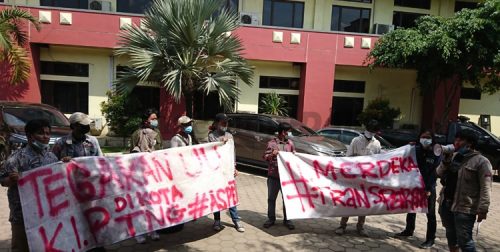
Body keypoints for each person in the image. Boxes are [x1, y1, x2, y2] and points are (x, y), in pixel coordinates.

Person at [0, 119, 59, 252]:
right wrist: (12, 179)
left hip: (46, 213)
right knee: (21, 246)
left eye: (48, 133)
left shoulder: (52, 158)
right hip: (22, 214)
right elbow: (3, 181)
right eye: (41, 133)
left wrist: (65, 165)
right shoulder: (16, 158)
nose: (45, 137)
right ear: (29, 136)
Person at [51, 112, 106, 252]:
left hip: (89, 187)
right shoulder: (61, 144)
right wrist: (61, 163)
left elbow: (100, 160)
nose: (87, 127)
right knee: (75, 218)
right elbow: (51, 165)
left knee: (93, 216)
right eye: (83, 125)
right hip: (69, 190)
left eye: (88, 124)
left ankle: (97, 245)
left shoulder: (92, 141)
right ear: (73, 126)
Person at [437, 129, 492, 252]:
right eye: (456, 139)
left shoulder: (482, 161)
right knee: (451, 236)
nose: (456, 142)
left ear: (470, 143)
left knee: (465, 241)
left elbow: (486, 187)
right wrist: (445, 160)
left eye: (460, 140)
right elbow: (439, 173)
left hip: (464, 208)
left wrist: (483, 209)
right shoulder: (455, 157)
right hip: (447, 204)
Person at [335, 119, 381, 236]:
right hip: (354, 178)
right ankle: (342, 225)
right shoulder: (356, 141)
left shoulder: (376, 144)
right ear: (366, 129)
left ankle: (360, 227)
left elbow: (379, 161)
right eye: (369, 130)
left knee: (364, 203)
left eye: (373, 131)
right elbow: (348, 157)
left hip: (367, 179)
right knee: (349, 201)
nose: (370, 132)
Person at [396, 129, 440, 248]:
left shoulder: (436, 151)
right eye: (423, 136)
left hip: (428, 188)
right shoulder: (415, 149)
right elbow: (400, 157)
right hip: (414, 185)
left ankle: (430, 239)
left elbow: (435, 172)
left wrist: (429, 188)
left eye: (428, 137)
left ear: (432, 139)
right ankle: (409, 230)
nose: (425, 139)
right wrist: (407, 147)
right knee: (411, 209)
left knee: (430, 214)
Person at [208, 113, 245, 232]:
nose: (225, 125)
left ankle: (236, 220)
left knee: (230, 194)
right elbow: (212, 152)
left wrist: (234, 166)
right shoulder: (211, 136)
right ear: (217, 124)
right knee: (217, 195)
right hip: (216, 171)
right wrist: (221, 143)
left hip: (228, 171)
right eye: (223, 123)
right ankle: (217, 220)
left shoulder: (229, 136)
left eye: (226, 123)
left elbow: (232, 152)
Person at [129, 109, 161, 244]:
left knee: (152, 203)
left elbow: (161, 150)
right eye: (153, 118)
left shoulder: (157, 133)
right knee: (140, 204)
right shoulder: (137, 134)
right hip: (139, 174)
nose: (155, 120)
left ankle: (152, 230)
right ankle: (139, 232)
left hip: (153, 173)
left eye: (156, 118)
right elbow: (131, 154)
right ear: (146, 120)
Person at [263, 122, 296, 230]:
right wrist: (272, 154)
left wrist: (295, 155)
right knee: (271, 199)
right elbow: (265, 156)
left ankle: (287, 220)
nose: (289, 134)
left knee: (287, 199)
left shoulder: (290, 143)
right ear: (283, 132)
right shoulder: (272, 144)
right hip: (274, 176)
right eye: (288, 131)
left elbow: (294, 156)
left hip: (286, 178)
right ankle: (271, 219)